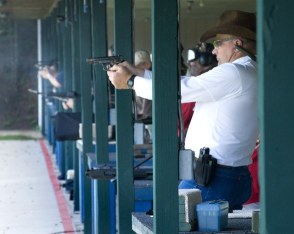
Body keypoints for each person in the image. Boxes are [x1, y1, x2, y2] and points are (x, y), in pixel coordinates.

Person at [107, 10, 258, 211]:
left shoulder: (234, 72)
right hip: (227, 174)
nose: (214, 51)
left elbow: (179, 91)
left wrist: (131, 81)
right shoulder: (250, 71)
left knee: (167, 219)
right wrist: (138, 72)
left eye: (218, 44)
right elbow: (186, 84)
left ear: (237, 44)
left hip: (212, 177)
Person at [134, 50, 153, 121]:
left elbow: (145, 112)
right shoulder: (139, 78)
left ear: (147, 64)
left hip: (149, 119)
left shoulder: (149, 80)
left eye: (140, 65)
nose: (137, 68)